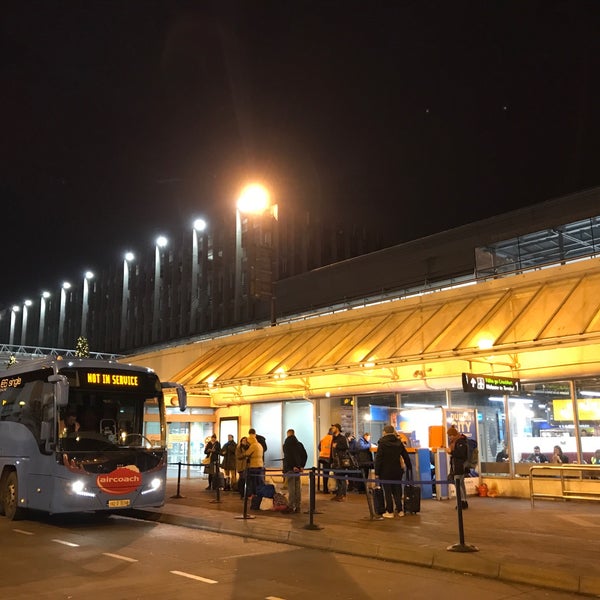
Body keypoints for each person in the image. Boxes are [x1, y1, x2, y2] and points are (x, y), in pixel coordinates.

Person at [375, 425, 412, 518]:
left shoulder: (382, 443)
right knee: (397, 490)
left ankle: (390, 511)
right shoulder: (399, 442)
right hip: (397, 470)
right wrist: (409, 467)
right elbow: (405, 455)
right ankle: (400, 510)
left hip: (385, 471)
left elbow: (379, 458)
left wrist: (377, 472)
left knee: (387, 491)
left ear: (384, 432)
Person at [282, 428, 308, 513]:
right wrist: (301, 466)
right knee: (297, 488)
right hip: (298, 469)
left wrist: (293, 466)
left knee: (291, 488)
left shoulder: (286, 444)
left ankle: (291, 506)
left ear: (288, 434)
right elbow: (305, 455)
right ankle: (298, 506)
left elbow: (288, 456)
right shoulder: (299, 444)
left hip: (291, 468)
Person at [447, 426, 469, 509]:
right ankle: (464, 501)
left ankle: (461, 503)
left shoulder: (460, 442)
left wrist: (451, 452)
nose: (449, 437)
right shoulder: (458, 441)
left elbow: (461, 454)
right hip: (458, 466)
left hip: (459, 467)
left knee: (458, 484)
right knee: (461, 484)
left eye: (450, 435)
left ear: (453, 435)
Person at [330, 423, 350, 502]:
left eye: (334, 428)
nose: (332, 429)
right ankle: (338, 494)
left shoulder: (342, 438)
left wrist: (337, 446)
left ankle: (343, 495)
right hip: (335, 461)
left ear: (337, 429)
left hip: (341, 461)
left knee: (342, 478)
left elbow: (346, 447)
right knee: (337, 478)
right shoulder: (334, 438)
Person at [244, 430, 265, 497]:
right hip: (260, 464)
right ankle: (259, 494)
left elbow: (247, 453)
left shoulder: (253, 446)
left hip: (254, 465)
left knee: (253, 481)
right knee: (259, 481)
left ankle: (254, 494)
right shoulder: (259, 445)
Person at [318, 428, 334, 493]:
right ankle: (334, 489)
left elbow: (319, 447)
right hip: (329, 458)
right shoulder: (333, 438)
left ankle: (325, 489)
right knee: (335, 473)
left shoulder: (324, 438)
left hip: (322, 457)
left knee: (325, 474)